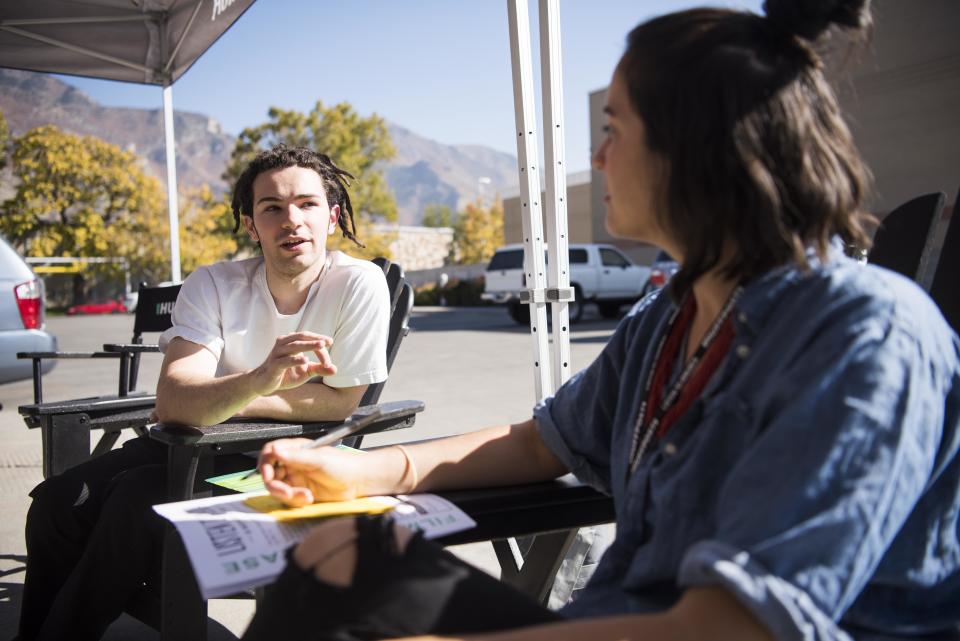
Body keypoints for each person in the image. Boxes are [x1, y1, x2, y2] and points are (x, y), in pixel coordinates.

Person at [242, 2, 960, 640]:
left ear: (697, 145)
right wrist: (367, 471)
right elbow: (539, 444)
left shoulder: (863, 338)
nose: (596, 155)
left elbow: (735, 624)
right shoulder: (670, 317)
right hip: (621, 613)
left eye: (614, 128)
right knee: (328, 557)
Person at [17, 145, 391, 641]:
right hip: (180, 442)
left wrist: (219, 400)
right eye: (271, 208)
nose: (291, 220)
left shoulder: (357, 284)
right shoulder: (214, 284)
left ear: (332, 216)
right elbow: (173, 401)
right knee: (58, 501)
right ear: (250, 224)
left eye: (307, 204)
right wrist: (259, 379)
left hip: (283, 459)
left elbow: (341, 402)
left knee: (136, 501)